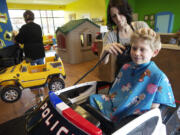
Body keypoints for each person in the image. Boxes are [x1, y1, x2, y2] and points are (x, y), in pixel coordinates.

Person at [89, 28, 176, 123]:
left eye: (142, 49)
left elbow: (153, 109)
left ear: (154, 52)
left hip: (132, 115)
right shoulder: (126, 67)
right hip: (115, 104)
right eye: (134, 48)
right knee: (92, 99)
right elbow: (115, 92)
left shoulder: (158, 77)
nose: (136, 53)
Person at [101, 0, 149, 77]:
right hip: (122, 75)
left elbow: (153, 46)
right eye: (114, 16)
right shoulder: (110, 35)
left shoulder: (141, 26)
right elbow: (104, 62)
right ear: (111, 18)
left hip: (141, 74)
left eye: (120, 13)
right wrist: (105, 50)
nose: (118, 19)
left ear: (126, 12)